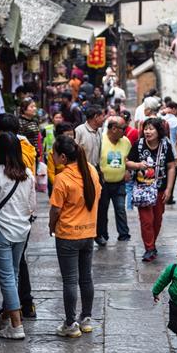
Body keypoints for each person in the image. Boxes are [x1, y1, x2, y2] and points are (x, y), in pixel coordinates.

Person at [0, 132, 36, 340]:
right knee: (12, 275)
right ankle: (5, 318)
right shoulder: (28, 174)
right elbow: (32, 207)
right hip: (22, 231)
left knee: (6, 278)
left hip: (2, 231)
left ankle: (16, 325)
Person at [49, 135, 100, 338]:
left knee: (70, 280)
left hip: (68, 234)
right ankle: (86, 318)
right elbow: (98, 194)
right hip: (89, 233)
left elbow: (55, 209)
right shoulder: (91, 170)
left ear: (62, 157)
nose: (51, 156)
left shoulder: (62, 179)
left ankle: (71, 324)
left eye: (53, 153)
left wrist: (51, 225)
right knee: (85, 277)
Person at [127, 117, 177, 262]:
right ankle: (149, 248)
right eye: (146, 129)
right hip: (143, 188)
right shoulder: (138, 144)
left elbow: (171, 166)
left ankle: (152, 245)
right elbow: (128, 163)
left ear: (158, 131)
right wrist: (138, 166)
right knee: (146, 220)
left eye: (151, 129)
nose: (148, 132)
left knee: (157, 219)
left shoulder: (165, 145)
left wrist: (169, 189)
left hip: (160, 189)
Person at [96, 116, 132, 245]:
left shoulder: (126, 142)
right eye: (124, 128)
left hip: (119, 182)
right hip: (103, 183)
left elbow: (127, 159)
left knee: (120, 208)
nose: (126, 131)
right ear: (114, 129)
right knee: (102, 210)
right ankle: (102, 234)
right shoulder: (101, 140)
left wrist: (128, 170)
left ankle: (123, 234)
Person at [46, 122, 75, 193]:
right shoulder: (53, 153)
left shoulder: (76, 150)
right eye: (68, 135)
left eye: (72, 135)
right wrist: (58, 184)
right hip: (59, 186)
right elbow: (51, 172)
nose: (71, 137)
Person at [74, 106, 105, 172]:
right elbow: (74, 153)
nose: (104, 119)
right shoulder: (79, 131)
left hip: (96, 170)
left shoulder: (99, 130)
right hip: (83, 171)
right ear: (96, 117)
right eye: (102, 116)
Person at [18, 97, 41, 164]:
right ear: (24, 109)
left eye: (35, 106)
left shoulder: (35, 121)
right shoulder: (19, 122)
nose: (34, 109)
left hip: (35, 153)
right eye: (31, 107)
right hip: (25, 154)